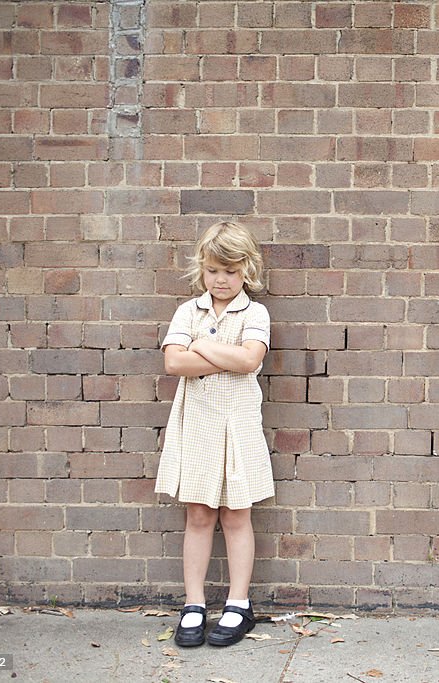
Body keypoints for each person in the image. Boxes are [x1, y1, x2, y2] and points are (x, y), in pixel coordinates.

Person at [156, 221, 274, 647]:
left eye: (230, 270)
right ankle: (194, 604)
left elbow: (249, 361)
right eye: (212, 271)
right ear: (201, 270)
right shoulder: (189, 312)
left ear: (246, 269)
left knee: (237, 514)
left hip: (238, 425)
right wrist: (225, 354)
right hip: (199, 426)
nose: (220, 280)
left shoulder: (255, 313)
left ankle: (239, 604)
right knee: (200, 514)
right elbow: (173, 364)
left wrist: (201, 348)